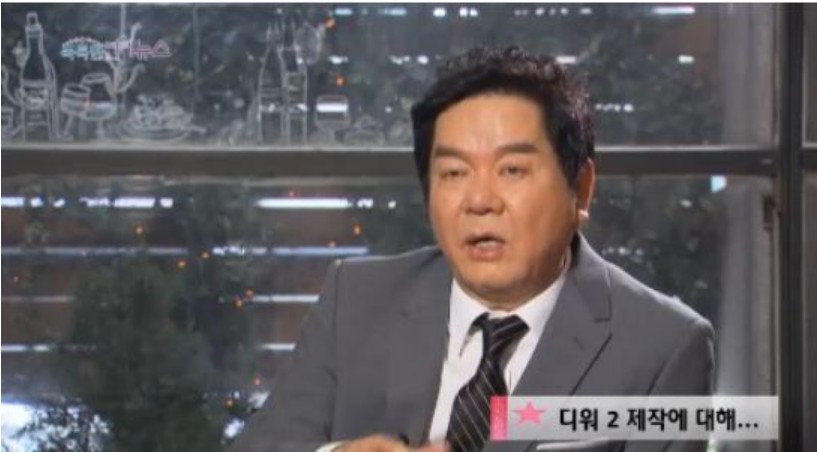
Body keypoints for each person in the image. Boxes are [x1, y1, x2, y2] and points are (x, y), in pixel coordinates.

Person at [230, 46, 715, 452]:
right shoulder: (356, 299)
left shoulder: (664, 347)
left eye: (512, 170)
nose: (479, 201)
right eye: (454, 173)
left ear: (581, 189)